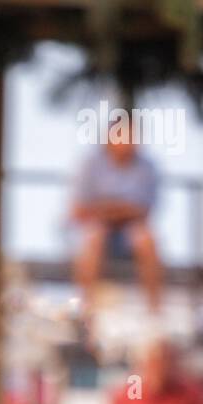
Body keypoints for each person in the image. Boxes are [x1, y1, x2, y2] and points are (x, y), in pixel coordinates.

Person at [71, 126, 163, 316]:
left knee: (147, 239)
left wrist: (107, 209)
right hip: (99, 231)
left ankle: (154, 314)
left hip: (130, 233)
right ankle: (86, 312)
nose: (127, 142)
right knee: (93, 237)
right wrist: (119, 210)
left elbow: (144, 212)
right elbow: (78, 211)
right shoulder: (90, 164)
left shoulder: (147, 167)